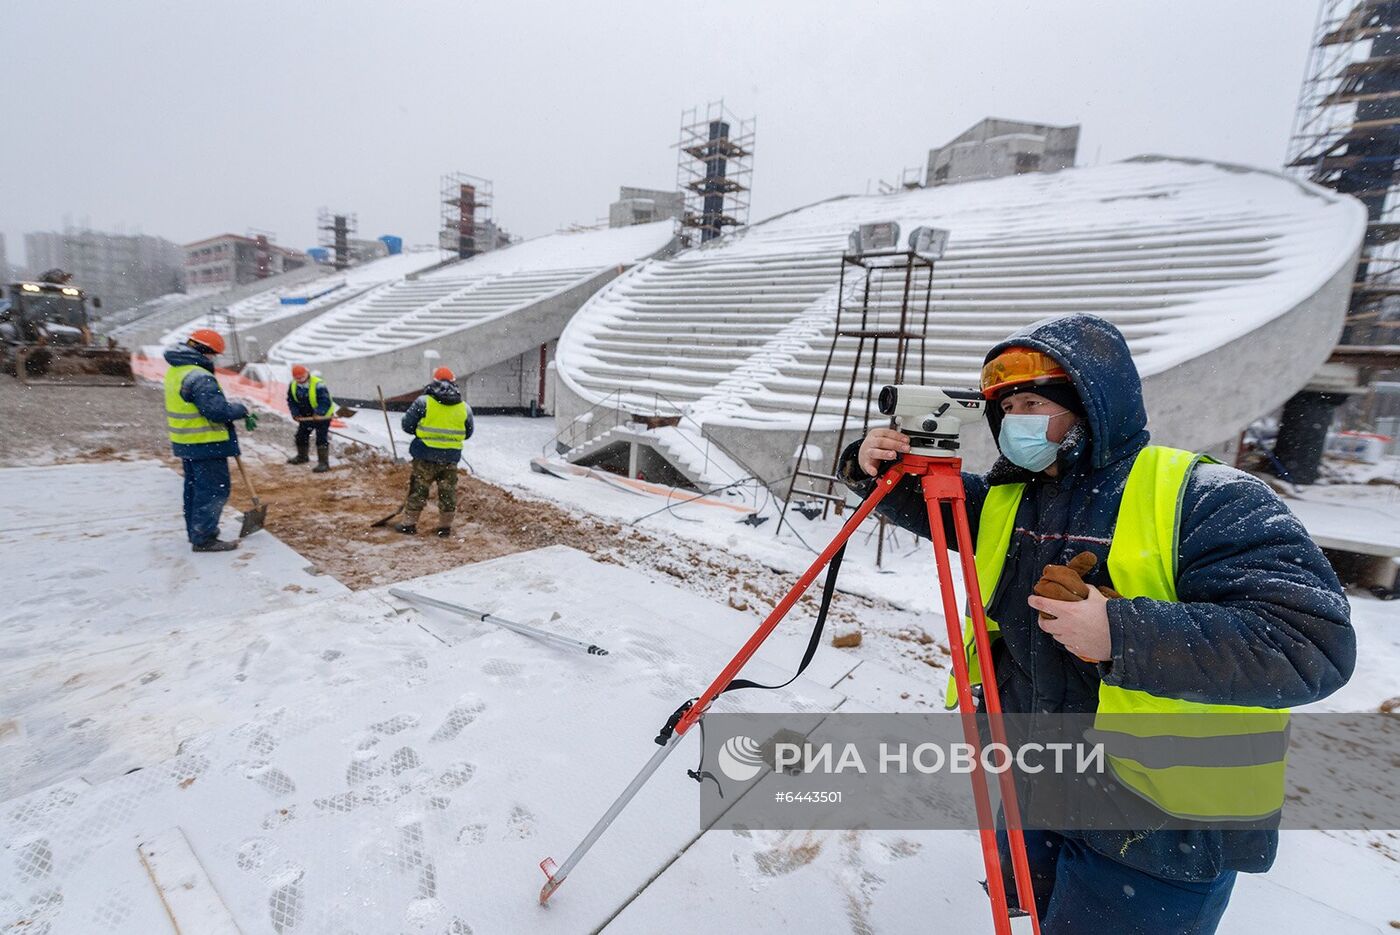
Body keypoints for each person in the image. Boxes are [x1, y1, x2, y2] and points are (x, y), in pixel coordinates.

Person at [840, 313, 1355, 935]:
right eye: (1004, 408)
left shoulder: (1208, 496)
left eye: (1033, 402)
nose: (1014, 422)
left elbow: (1310, 646)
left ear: (1090, 404)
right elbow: (937, 504)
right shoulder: (1015, 497)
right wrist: (868, 464)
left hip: (1160, 827)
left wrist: (1121, 632)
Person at [163, 329, 257, 553]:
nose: (213, 359)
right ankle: (204, 538)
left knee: (194, 491)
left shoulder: (176, 371)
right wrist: (240, 409)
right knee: (213, 491)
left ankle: (198, 532)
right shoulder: (199, 376)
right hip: (207, 443)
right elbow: (216, 411)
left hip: (188, 443)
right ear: (205, 352)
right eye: (213, 354)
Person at [396, 366, 473, 537]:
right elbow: (468, 433)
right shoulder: (464, 408)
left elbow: (407, 425)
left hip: (424, 455)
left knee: (418, 489)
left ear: (434, 381)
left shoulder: (423, 402)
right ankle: (444, 528)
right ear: (454, 383)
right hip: (450, 458)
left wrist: (422, 431)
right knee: (448, 493)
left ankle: (409, 524)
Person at [286, 363, 334, 473]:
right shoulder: (293, 385)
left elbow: (325, 401)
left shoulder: (318, 384)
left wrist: (319, 413)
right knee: (301, 435)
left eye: (302, 377)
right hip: (306, 416)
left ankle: (323, 463)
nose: (300, 380)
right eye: (297, 378)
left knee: (321, 438)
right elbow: (291, 401)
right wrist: (295, 413)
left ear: (307, 374)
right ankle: (302, 457)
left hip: (323, 416)